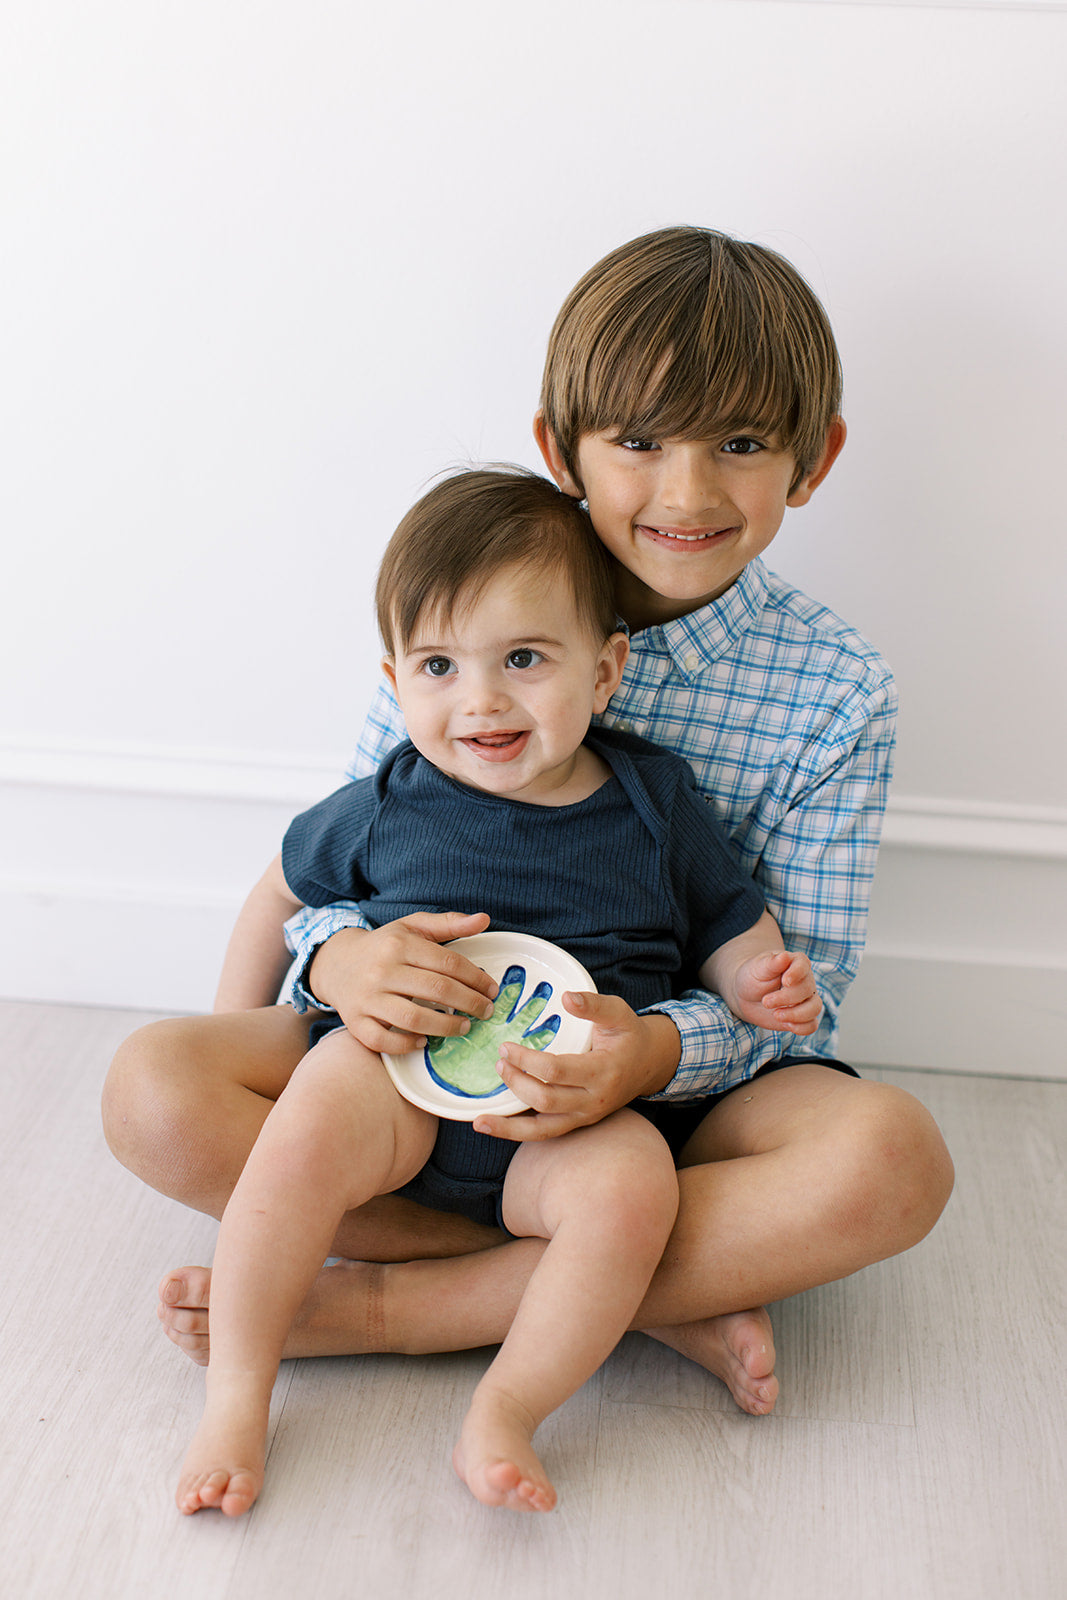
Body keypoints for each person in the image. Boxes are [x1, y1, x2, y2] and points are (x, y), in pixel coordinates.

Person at [104, 224, 953, 1445]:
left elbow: (799, 1000)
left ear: (809, 460)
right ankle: (632, 1294)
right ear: (560, 448)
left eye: (743, 443)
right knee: (152, 1089)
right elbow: (339, 870)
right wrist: (337, 962)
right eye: (638, 441)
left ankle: (403, 1306)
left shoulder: (833, 689)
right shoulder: (457, 603)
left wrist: (645, 1057)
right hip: (416, 1076)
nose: (686, 492)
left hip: (644, 1102)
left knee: (891, 1160)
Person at [173, 468, 822, 1516]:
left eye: (522, 658)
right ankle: (236, 1396)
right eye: (438, 665)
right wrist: (239, 1023)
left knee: (632, 1194)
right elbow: (280, 895)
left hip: (567, 1110)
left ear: (604, 669)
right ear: (394, 680)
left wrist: (761, 976)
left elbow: (725, 926)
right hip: (390, 1086)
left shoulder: (654, 800)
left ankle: (507, 1407)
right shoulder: (389, 796)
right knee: (295, 1140)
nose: (479, 698)